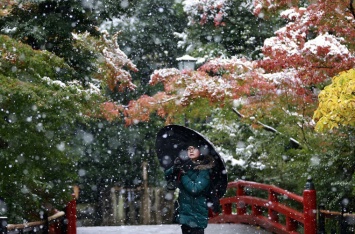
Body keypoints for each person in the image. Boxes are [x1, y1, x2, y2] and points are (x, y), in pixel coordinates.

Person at [165, 144, 215, 234]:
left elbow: (195, 189)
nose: (191, 151)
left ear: (200, 151)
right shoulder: (184, 165)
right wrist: (175, 167)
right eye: (189, 149)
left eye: (194, 148)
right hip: (185, 213)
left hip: (197, 214)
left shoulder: (204, 170)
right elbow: (166, 175)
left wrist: (183, 175)